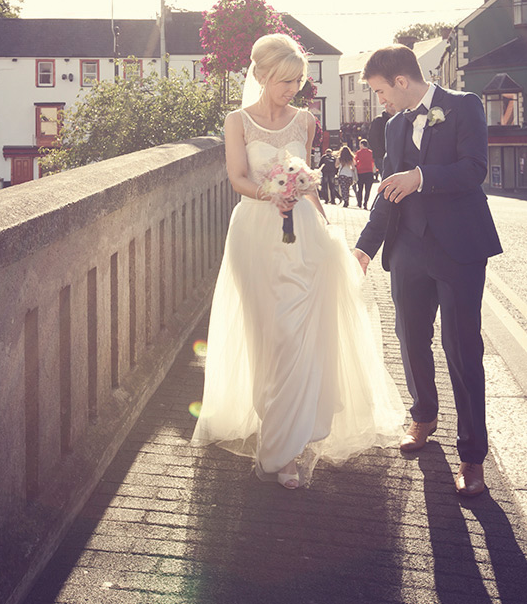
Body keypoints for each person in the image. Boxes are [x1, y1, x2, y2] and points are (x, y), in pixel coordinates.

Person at [192, 34, 404, 489]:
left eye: (298, 81)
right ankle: (275, 429)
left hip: (303, 234)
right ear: (263, 76)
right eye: (285, 81)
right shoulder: (238, 121)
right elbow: (237, 178)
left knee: (297, 334)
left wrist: (328, 230)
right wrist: (273, 193)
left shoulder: (306, 121)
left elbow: (307, 181)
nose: (293, 89)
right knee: (266, 335)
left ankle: (286, 448)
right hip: (254, 235)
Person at [353, 45, 502, 497]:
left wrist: (421, 176)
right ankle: (423, 417)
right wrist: (363, 248)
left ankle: (473, 456)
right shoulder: (393, 126)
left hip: (459, 251)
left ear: (401, 81)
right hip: (407, 252)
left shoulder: (464, 105)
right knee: (410, 339)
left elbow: (474, 169)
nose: (380, 102)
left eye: (381, 91)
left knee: (462, 348)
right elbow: (387, 191)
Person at [354, 139, 375, 209]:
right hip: (369, 172)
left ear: (362, 145)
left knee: (360, 189)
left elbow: (355, 162)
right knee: (367, 190)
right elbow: (373, 162)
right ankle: (365, 203)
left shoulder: (358, 153)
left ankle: (359, 203)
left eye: (360, 144)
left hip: (361, 173)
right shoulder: (371, 152)